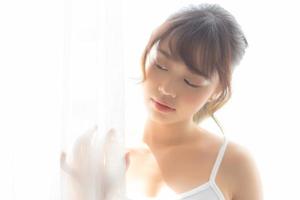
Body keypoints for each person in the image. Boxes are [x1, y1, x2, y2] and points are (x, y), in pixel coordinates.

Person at [125, 3, 263, 200]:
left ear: (218, 91)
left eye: (191, 81)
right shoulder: (109, 153)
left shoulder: (234, 165)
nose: (167, 89)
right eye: (161, 66)